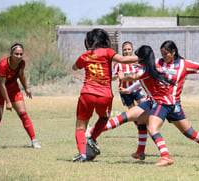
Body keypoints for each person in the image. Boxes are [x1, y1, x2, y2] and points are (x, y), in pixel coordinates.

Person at [121, 40, 199, 166]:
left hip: (172, 105)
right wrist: (130, 87)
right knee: (144, 123)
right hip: (161, 103)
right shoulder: (157, 62)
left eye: (166, 53)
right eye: (162, 53)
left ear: (173, 52)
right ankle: (149, 153)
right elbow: (143, 77)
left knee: (189, 132)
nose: (163, 56)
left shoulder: (184, 64)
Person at [89, 45, 176, 166]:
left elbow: (134, 76)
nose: (135, 58)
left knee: (152, 129)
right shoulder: (153, 66)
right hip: (153, 102)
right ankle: (139, 152)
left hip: (162, 103)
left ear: (141, 58)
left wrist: (122, 77)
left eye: (137, 56)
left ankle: (166, 157)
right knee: (133, 119)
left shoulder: (146, 70)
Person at [71, 28, 141, 162]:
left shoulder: (85, 55)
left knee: (80, 126)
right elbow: (123, 59)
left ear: (89, 42)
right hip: (105, 95)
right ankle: (92, 139)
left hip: (87, 93)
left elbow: (75, 67)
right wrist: (142, 58)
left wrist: (77, 65)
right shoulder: (108, 52)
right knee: (103, 118)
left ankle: (82, 153)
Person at [0, 43, 41, 149]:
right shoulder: (3, 65)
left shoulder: (21, 63)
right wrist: (8, 102)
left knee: (23, 114)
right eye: (16, 54)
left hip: (14, 89)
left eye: (21, 54)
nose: (19, 57)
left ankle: (34, 140)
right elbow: (1, 85)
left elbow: (21, 75)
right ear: (11, 54)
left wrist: (26, 88)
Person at [112, 41, 147, 160]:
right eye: (125, 50)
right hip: (124, 91)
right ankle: (142, 129)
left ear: (132, 50)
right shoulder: (118, 64)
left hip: (136, 90)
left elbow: (143, 72)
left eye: (128, 49)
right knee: (133, 115)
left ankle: (148, 124)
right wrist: (115, 76)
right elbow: (112, 76)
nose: (127, 51)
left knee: (145, 107)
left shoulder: (137, 63)